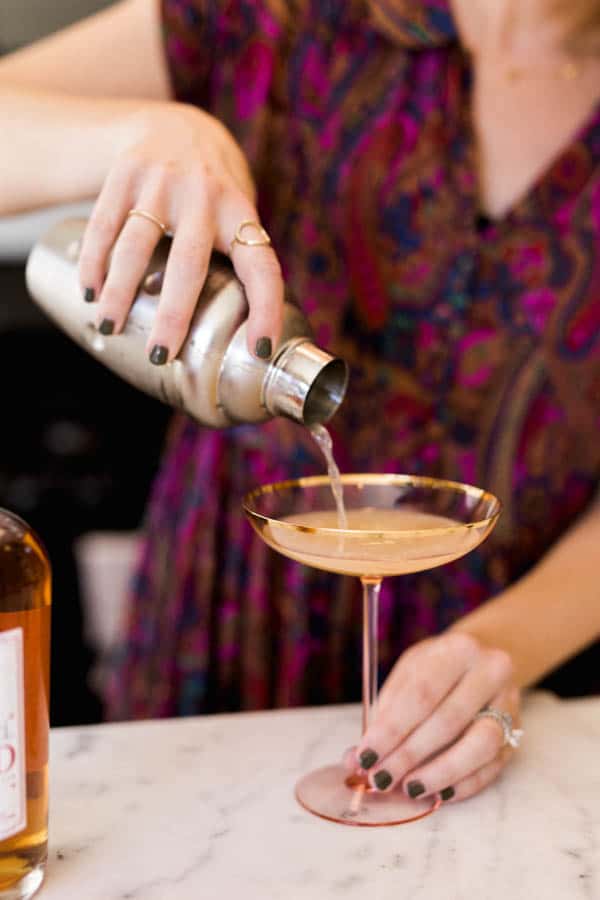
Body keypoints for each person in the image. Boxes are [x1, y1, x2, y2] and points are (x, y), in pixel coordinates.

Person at [1, 0, 599, 805]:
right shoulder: (277, 16)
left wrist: (501, 647)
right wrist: (141, 133)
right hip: (230, 612)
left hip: (507, 657)